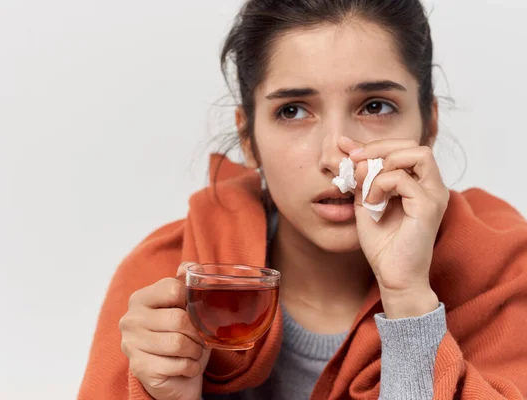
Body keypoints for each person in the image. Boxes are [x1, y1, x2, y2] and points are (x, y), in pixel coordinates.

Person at [78, 1, 527, 399]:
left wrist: (408, 300)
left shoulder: (502, 270)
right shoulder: (165, 280)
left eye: (375, 106)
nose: (335, 157)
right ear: (247, 138)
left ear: (428, 124)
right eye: (292, 111)